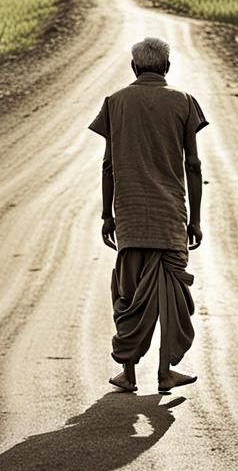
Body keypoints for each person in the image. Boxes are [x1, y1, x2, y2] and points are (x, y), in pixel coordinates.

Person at [89, 37, 208, 394]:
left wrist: (107, 215)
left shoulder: (115, 103)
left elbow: (109, 166)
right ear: (167, 68)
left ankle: (128, 374)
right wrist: (196, 219)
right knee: (173, 296)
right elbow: (193, 164)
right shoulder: (185, 103)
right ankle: (164, 373)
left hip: (130, 216)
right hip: (171, 214)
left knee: (127, 295)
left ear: (134, 67)